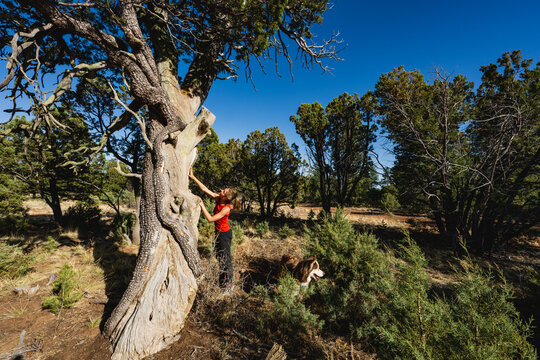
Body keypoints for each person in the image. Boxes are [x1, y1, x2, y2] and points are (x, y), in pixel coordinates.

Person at [189, 168, 239, 289]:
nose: (221, 190)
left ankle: (229, 284)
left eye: (223, 191)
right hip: (219, 233)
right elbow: (205, 189)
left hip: (224, 234)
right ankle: (222, 283)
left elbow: (210, 219)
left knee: (226, 259)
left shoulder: (226, 208)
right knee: (219, 257)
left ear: (225, 197)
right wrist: (193, 177)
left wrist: (202, 206)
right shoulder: (218, 198)